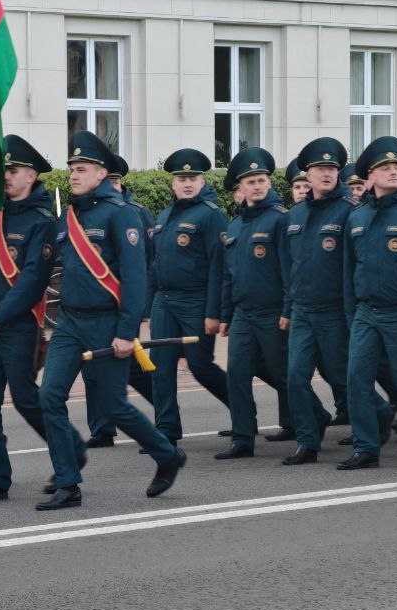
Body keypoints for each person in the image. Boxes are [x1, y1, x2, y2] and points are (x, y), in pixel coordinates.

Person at [37, 130, 184, 510]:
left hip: (107, 323)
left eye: (81, 168)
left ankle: (166, 454)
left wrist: (126, 333)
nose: (73, 175)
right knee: (49, 396)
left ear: (101, 173)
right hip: (69, 322)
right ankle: (68, 484)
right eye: (71, 168)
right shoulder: (68, 216)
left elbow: (137, 280)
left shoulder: (122, 215)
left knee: (112, 405)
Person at [0, 134, 83, 503]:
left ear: (32, 176)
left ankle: (71, 448)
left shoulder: (41, 222)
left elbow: (31, 284)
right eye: (4, 169)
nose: (7, 176)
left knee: (25, 398)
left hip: (17, 325)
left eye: (15, 169)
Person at [339, 138, 397, 469]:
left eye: (396, 167)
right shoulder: (357, 217)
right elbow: (349, 269)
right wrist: (352, 312)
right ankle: (367, 447)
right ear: (369, 178)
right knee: (356, 380)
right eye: (385, 168)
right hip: (366, 312)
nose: (394, 171)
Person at [281, 137, 361, 465]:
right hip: (302, 310)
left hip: (334, 311)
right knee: (295, 376)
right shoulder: (296, 214)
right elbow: (291, 266)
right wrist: (288, 307)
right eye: (319, 169)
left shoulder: (349, 212)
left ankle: (380, 413)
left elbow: (356, 265)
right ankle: (308, 442)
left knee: (343, 377)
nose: (326, 174)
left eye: (331, 168)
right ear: (307, 175)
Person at [147, 148, 231, 446]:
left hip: (196, 301)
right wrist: (149, 303)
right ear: (172, 182)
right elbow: (156, 262)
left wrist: (214, 312)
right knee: (160, 367)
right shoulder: (165, 215)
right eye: (181, 178)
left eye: (193, 177)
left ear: (202, 180)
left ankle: (242, 410)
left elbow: (218, 267)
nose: (187, 183)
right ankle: (166, 430)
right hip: (165, 301)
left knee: (201, 366)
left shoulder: (211, 216)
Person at [216, 147, 292, 460]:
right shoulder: (235, 226)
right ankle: (243, 438)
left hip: (273, 311)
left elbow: (290, 270)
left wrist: (288, 310)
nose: (258, 185)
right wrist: (225, 315)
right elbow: (228, 275)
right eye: (251, 181)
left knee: (282, 372)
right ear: (241, 187)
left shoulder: (279, 220)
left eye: (262, 180)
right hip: (244, 313)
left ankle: (313, 415)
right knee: (237, 373)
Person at [84, 151, 154, 448]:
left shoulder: (133, 212)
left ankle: (163, 406)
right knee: (91, 368)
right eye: (107, 179)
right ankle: (102, 428)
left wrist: (139, 307)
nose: (111, 185)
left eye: (115, 179)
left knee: (130, 367)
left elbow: (145, 262)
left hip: (122, 304)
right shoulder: (86, 210)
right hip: (90, 309)